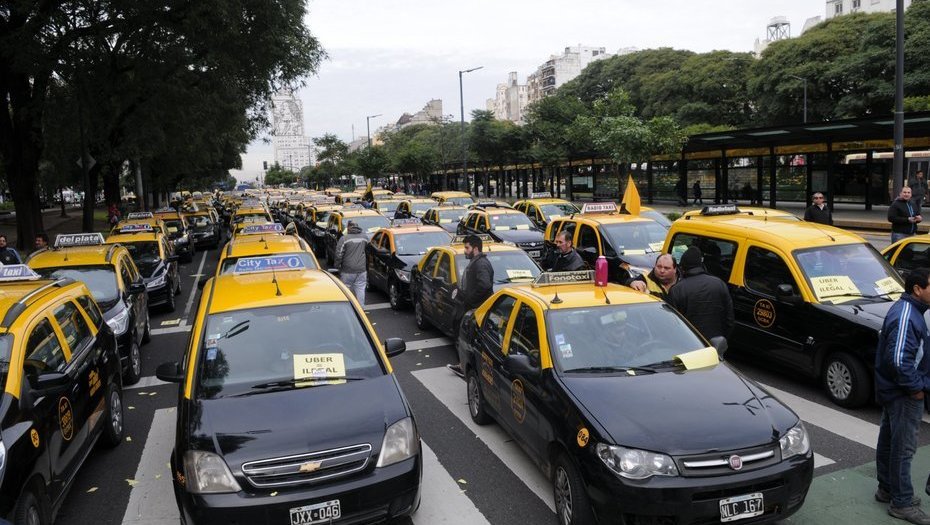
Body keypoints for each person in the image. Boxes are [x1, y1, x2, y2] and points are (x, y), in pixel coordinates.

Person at [874, 267, 930, 524]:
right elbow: (898, 360)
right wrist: (916, 389)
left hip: (891, 389)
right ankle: (902, 502)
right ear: (917, 289)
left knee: (889, 439)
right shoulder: (909, 315)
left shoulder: (908, 311)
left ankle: (887, 488)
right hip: (902, 393)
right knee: (903, 449)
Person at [448, 234, 494, 378]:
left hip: (477, 310)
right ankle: (464, 366)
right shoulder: (477, 262)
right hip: (475, 308)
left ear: (475, 248)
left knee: (471, 340)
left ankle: (468, 369)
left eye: (466, 248)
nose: (464, 251)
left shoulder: (481, 264)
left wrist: (470, 300)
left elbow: (485, 285)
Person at [667, 246, 734, 342]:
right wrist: (722, 340)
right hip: (715, 344)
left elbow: (672, 325)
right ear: (701, 264)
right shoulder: (719, 284)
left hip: (690, 345)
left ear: (682, 267)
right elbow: (729, 320)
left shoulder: (677, 290)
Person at [334, 221, 369, 304]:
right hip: (361, 269)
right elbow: (369, 249)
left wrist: (337, 266)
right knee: (360, 288)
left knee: (345, 290)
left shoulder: (344, 239)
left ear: (348, 227)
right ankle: (361, 308)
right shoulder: (364, 237)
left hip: (347, 270)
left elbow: (338, 254)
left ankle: (348, 309)